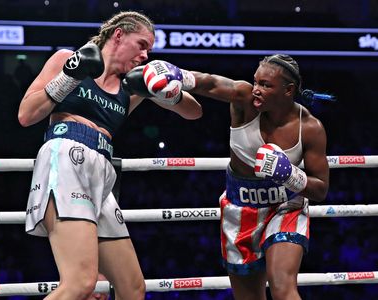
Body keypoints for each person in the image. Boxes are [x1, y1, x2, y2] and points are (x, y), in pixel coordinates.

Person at [18, 11, 202, 300]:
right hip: (66, 155)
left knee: (132, 288)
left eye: (149, 50)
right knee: (79, 284)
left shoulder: (133, 86)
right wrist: (69, 76)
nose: (145, 55)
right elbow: (26, 115)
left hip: (102, 173)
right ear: (118, 35)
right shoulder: (67, 57)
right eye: (142, 45)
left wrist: (170, 86)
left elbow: (194, 112)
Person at [172, 54, 329, 299]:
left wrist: (290, 175)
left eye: (266, 85)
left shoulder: (310, 128)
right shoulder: (244, 99)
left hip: (286, 207)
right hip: (240, 208)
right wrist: (175, 74)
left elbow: (320, 189)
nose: (256, 90)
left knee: (283, 287)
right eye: (256, 82)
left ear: (288, 90)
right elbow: (211, 83)